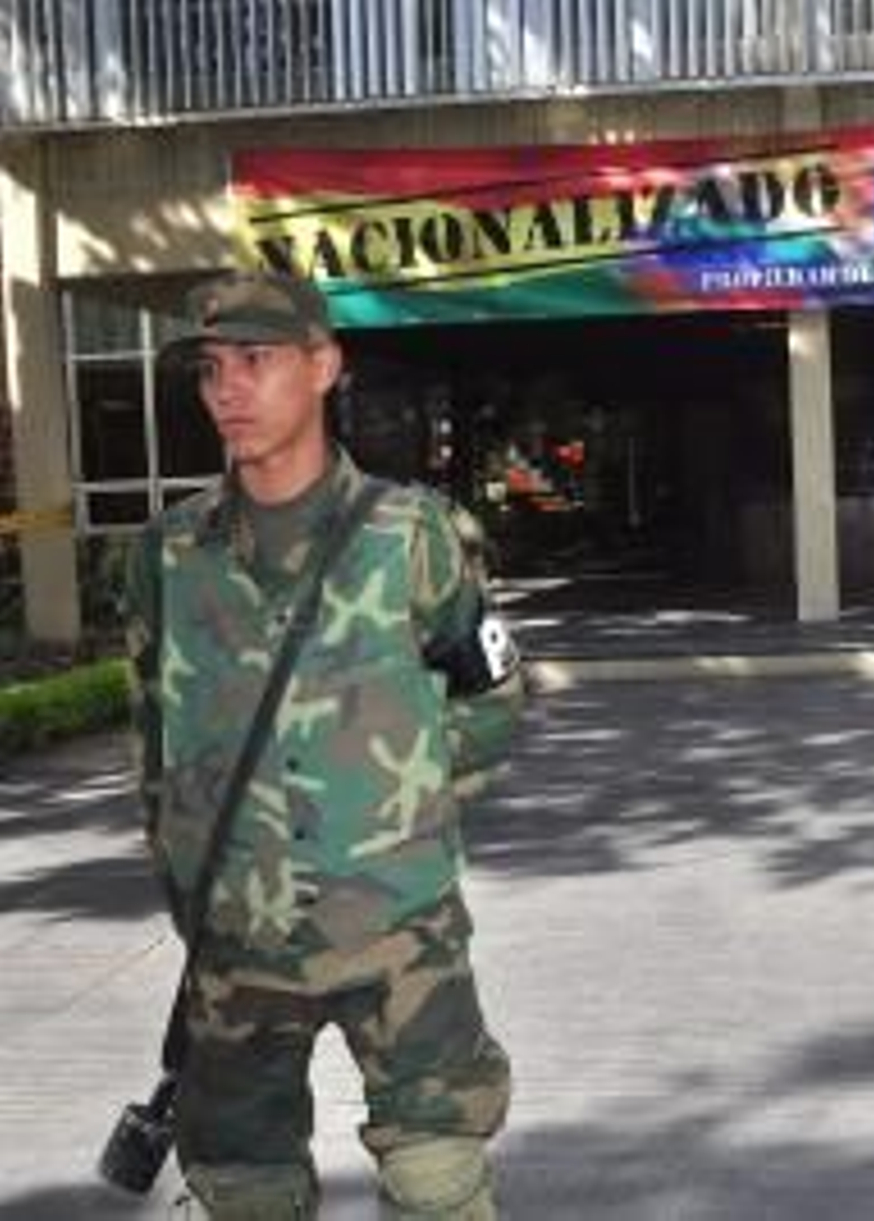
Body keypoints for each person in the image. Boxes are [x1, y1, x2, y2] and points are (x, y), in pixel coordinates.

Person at [123, 270, 525, 1219]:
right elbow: (154, 735)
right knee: (243, 1188)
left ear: (324, 366)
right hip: (236, 949)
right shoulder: (168, 554)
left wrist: (397, 824)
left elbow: (491, 694)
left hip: (400, 943)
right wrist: (187, 856)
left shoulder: (412, 533)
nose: (228, 387)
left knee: (438, 1179)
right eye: (211, 368)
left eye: (255, 361)